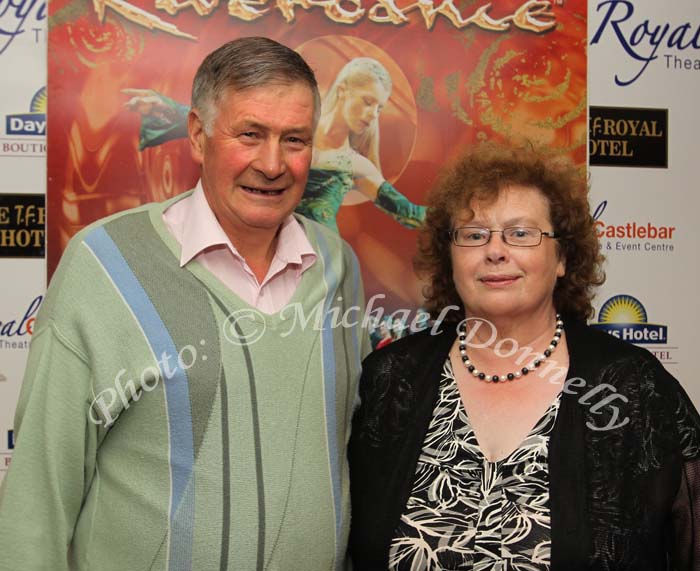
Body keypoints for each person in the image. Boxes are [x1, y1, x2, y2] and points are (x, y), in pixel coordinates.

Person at [0, 37, 370, 570]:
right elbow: (38, 488)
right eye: (250, 134)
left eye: (295, 139)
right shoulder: (106, 263)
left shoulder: (337, 265)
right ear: (198, 134)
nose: (273, 163)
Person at [348, 142, 700, 570]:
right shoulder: (391, 379)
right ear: (450, 257)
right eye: (474, 235)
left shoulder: (631, 387)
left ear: (563, 258)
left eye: (521, 233)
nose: (495, 251)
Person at [124, 57, 425, 232]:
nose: (373, 116)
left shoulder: (358, 166)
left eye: (379, 108)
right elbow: (235, 129)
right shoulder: (285, 125)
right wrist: (167, 110)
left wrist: (463, 215)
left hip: (317, 273)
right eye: (368, 102)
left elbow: (410, 214)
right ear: (344, 90)